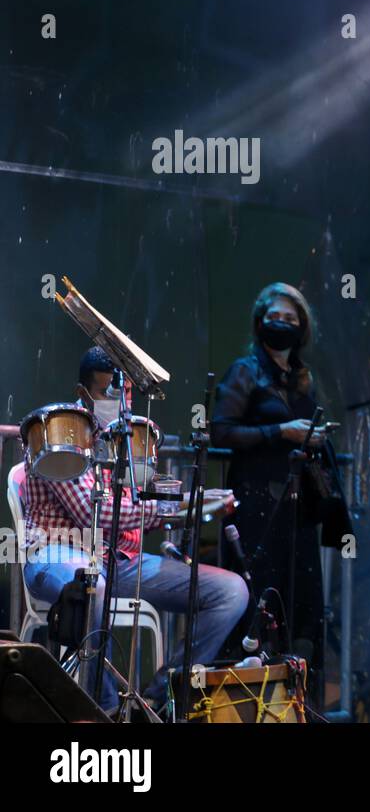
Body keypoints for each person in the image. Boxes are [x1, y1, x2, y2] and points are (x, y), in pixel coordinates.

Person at [19, 347, 246, 714]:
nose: (119, 402)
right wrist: (177, 506)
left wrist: (196, 502)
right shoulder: (64, 429)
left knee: (231, 591)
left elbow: (144, 506)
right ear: (83, 393)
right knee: (94, 586)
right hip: (57, 552)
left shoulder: (126, 438)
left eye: (124, 393)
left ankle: (158, 696)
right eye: (109, 392)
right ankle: (103, 709)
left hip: (118, 560)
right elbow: (95, 511)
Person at [212, 282, 331, 692]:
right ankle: (245, 699)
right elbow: (221, 431)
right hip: (257, 504)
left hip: (296, 507)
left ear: (303, 327)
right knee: (256, 600)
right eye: (274, 318)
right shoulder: (245, 371)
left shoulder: (303, 379)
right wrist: (281, 431)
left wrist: (314, 437)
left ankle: (297, 700)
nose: (281, 325)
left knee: (303, 606)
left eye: (290, 319)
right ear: (260, 322)